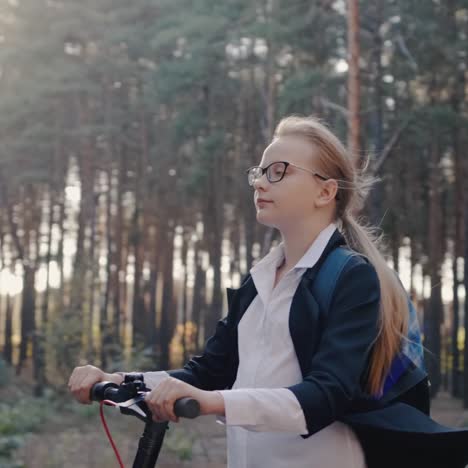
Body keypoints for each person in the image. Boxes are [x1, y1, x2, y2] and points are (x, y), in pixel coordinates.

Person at [69, 115, 468, 468]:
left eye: (278, 170)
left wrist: (215, 402)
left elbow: (325, 395)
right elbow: (207, 372)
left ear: (325, 192)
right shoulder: (257, 281)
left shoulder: (351, 277)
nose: (260, 181)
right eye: (258, 172)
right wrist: (119, 379)